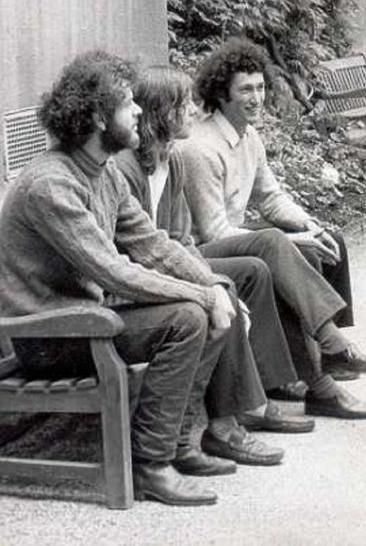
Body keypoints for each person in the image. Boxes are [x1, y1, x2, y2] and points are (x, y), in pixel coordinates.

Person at [0, 50, 239, 506]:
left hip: (85, 319)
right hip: (47, 334)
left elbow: (154, 245)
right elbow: (113, 271)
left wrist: (211, 284)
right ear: (95, 115)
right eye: (128, 103)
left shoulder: (103, 173)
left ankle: (176, 445)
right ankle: (151, 465)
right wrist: (200, 296)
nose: (138, 111)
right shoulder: (52, 184)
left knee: (204, 303)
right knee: (186, 318)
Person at [178, 37, 366, 420]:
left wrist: (309, 225)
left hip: (238, 241)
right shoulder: (201, 148)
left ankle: (327, 360)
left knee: (326, 238)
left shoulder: (249, 136)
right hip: (201, 250)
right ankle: (331, 347)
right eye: (245, 89)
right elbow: (212, 231)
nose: (256, 97)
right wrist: (290, 239)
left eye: (260, 87)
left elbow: (271, 197)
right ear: (222, 94)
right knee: (277, 247)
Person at [114, 65, 315, 463]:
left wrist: (213, 283)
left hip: (164, 263)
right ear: (161, 113)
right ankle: (223, 425)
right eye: (183, 104)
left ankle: (253, 401)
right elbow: (136, 251)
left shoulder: (173, 160)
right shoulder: (126, 169)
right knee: (220, 291)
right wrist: (208, 288)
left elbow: (182, 240)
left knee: (244, 275)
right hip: (136, 278)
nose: (193, 111)